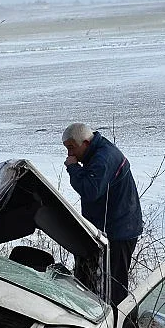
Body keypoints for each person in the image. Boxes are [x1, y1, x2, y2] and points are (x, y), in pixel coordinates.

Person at [62, 122, 142, 306]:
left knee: (114, 287)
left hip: (119, 232)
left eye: (72, 148)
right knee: (91, 282)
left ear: (86, 143)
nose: (69, 154)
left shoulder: (103, 158)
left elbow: (90, 190)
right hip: (113, 227)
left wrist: (73, 169)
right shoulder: (99, 152)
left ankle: (117, 325)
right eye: (67, 149)